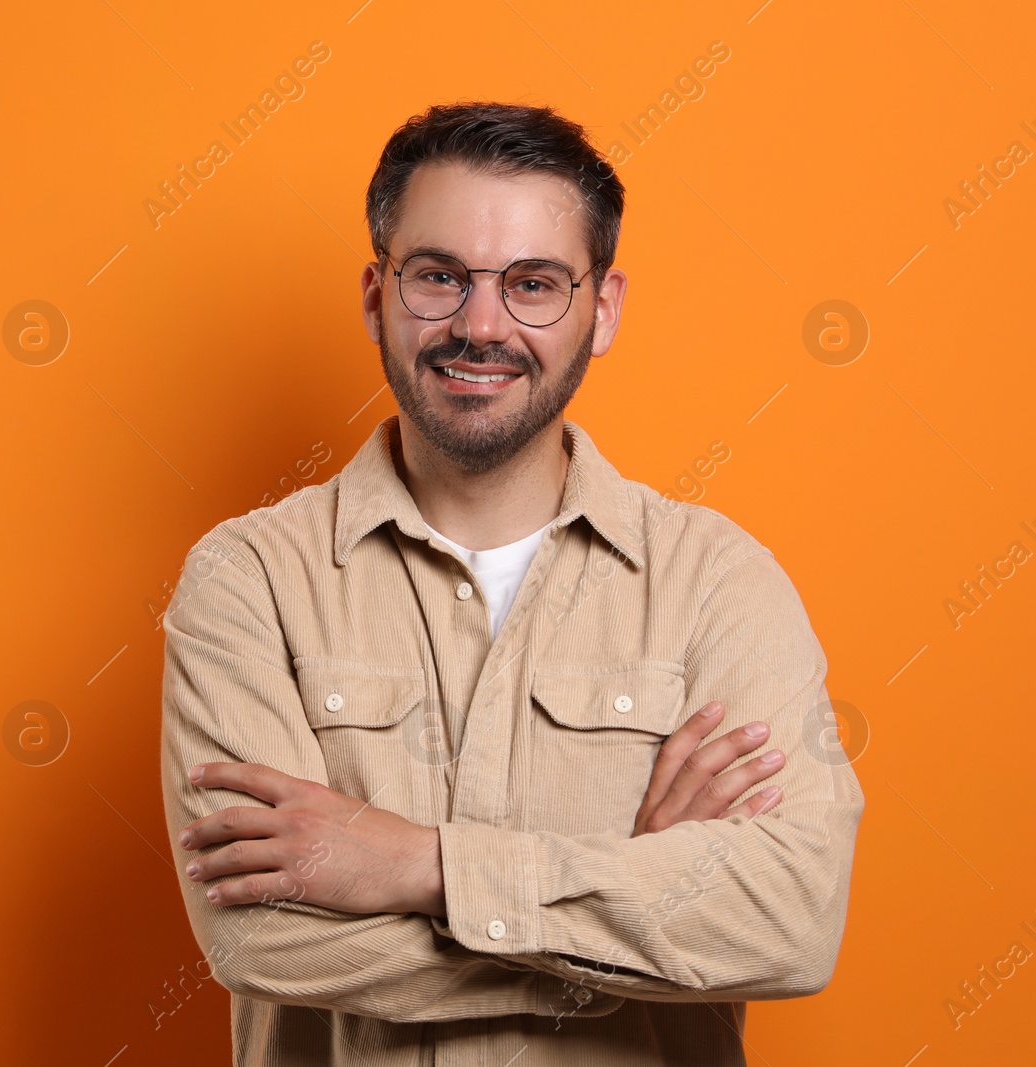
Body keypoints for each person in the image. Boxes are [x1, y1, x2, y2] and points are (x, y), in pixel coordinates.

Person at [159, 102, 864, 1066]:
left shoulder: (717, 580)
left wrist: (418, 864)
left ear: (602, 307)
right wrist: (637, 895)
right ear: (377, 296)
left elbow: (788, 918)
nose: (480, 324)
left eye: (533, 283)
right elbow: (261, 937)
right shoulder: (248, 580)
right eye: (438, 276)